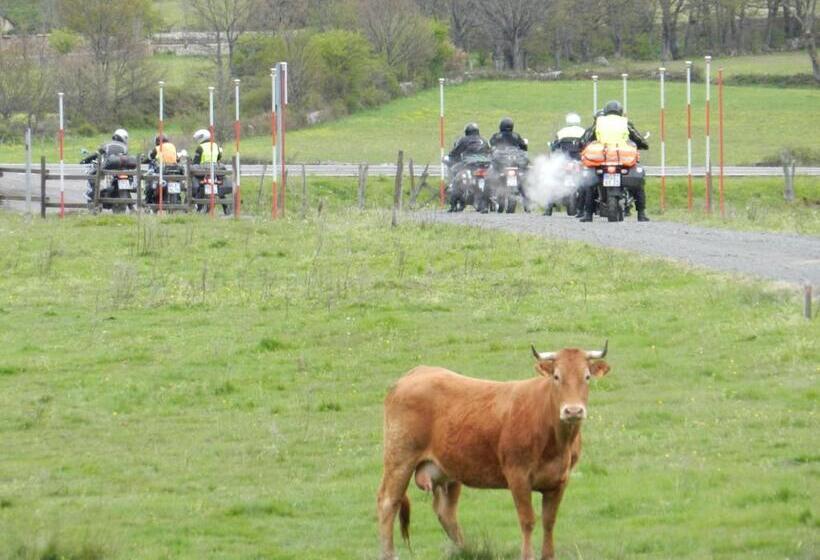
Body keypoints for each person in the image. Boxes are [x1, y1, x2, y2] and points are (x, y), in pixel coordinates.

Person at [579, 100, 650, 222]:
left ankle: (588, 214)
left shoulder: (599, 122)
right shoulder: (625, 122)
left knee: (590, 185)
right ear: (620, 111)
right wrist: (644, 144)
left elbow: (585, 139)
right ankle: (641, 214)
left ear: (605, 111)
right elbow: (637, 138)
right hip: (622, 157)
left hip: (602, 158)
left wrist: (583, 146)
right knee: (638, 186)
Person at [80, 128, 129, 202]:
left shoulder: (107, 144)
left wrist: (85, 160)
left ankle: (93, 194)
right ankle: (132, 207)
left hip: (107, 167)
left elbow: (96, 154)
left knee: (92, 174)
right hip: (121, 169)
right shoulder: (125, 147)